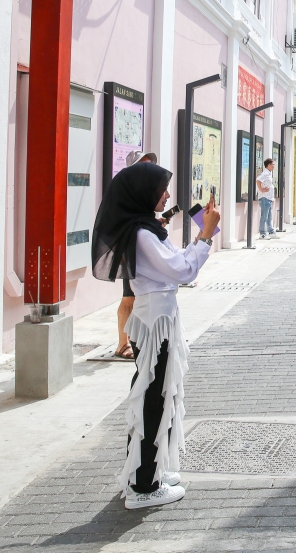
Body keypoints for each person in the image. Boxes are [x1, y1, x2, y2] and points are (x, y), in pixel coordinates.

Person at [91, 161, 220, 510]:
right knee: (153, 397)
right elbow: (182, 270)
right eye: (161, 189)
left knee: (156, 394)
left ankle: (147, 472)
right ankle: (144, 486)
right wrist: (206, 233)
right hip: (153, 324)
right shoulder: (143, 234)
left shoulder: (145, 229)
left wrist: (201, 234)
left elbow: (176, 260)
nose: (166, 195)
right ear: (144, 194)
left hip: (156, 320)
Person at [115, 151, 158, 361]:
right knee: (128, 297)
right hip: (128, 248)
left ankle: (133, 339)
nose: (148, 168)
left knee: (137, 296)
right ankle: (123, 344)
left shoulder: (146, 192)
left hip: (141, 248)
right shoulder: (125, 192)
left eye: (150, 164)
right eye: (144, 165)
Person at [256, 158, 275, 240]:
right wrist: (261, 189)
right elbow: (258, 180)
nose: (274, 166)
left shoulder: (269, 173)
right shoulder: (265, 173)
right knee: (264, 216)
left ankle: (271, 232)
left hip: (268, 198)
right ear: (269, 165)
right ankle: (262, 233)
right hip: (264, 198)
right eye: (273, 164)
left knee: (269, 216)